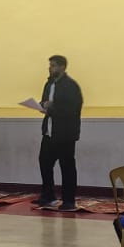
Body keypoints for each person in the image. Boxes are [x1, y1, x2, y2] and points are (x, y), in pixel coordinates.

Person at [22, 54, 82, 211]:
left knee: (67, 167)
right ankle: (48, 196)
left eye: (53, 65)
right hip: (49, 132)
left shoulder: (70, 86)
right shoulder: (49, 84)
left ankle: (69, 201)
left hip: (65, 133)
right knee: (44, 162)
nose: (50, 68)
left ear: (62, 67)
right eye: (50, 65)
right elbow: (45, 101)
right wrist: (42, 105)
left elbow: (72, 109)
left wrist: (52, 108)